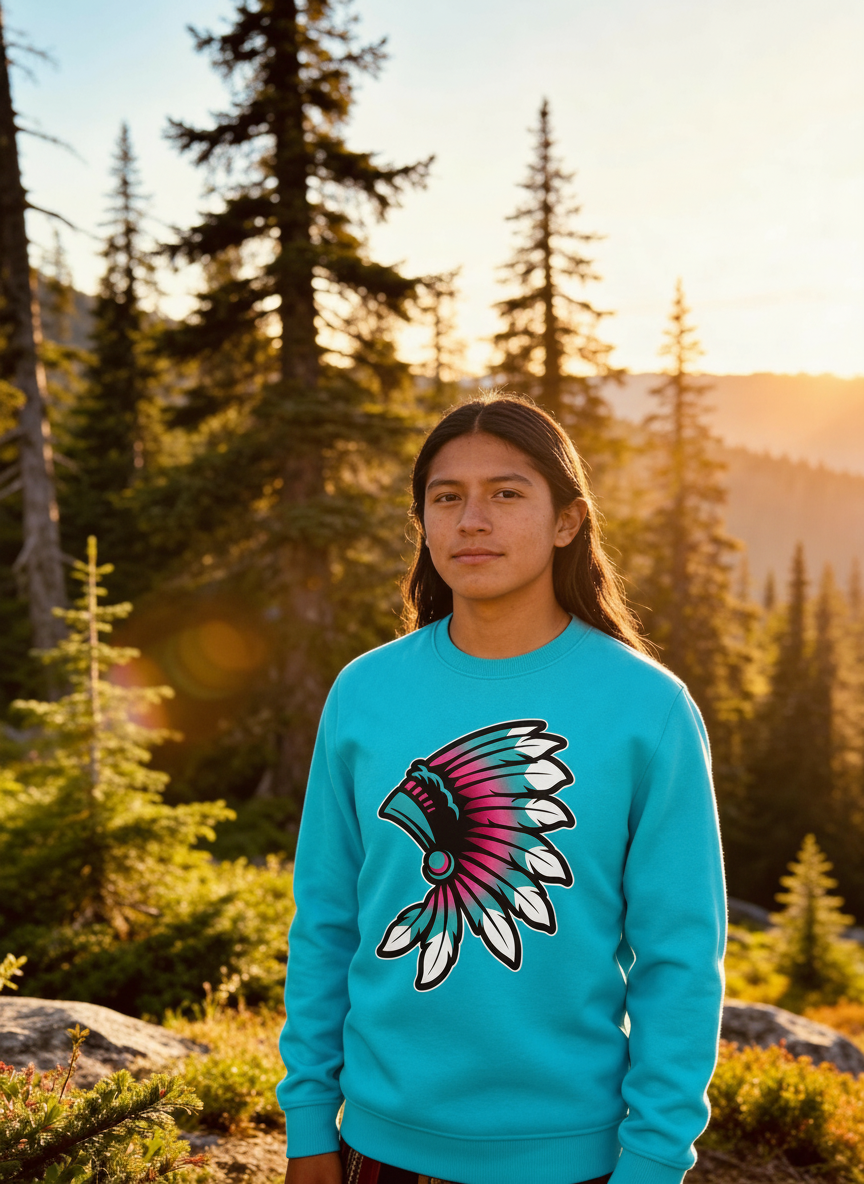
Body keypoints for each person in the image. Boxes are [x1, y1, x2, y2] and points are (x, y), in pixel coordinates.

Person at [279, 395, 726, 1184]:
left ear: (567, 521)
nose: (471, 520)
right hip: (377, 1147)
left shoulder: (646, 708)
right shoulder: (364, 692)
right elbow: (326, 920)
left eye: (507, 493)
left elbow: (681, 957)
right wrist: (309, 1119)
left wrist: (654, 1159)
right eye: (446, 497)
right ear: (423, 521)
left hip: (574, 1157)